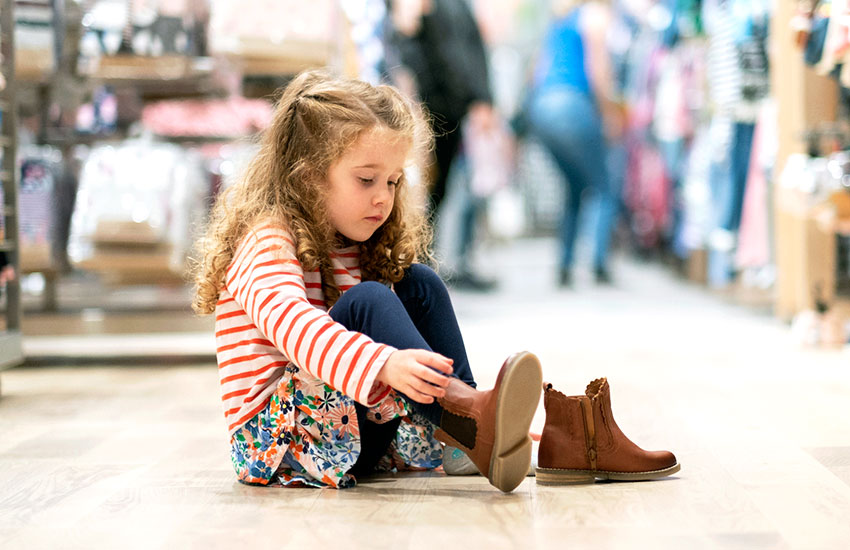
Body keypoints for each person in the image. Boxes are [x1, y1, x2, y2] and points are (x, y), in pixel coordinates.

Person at [193, 70, 679, 492]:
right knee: (366, 301)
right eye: (367, 180)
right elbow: (291, 324)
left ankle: (466, 433)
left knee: (418, 283)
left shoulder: (351, 240)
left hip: (342, 429)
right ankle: (467, 418)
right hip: (281, 444)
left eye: (392, 182)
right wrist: (382, 361)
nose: (383, 197)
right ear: (308, 177)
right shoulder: (268, 239)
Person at [387, 0, 497, 291]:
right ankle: (411, 266)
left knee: (439, 192)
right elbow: (405, 40)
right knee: (413, 190)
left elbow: (472, 49)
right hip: (422, 105)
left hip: (452, 108)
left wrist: (483, 98)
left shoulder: (459, 7)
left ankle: (423, 266)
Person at [526, 0, 624, 287]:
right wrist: (610, 112)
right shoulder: (594, 14)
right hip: (572, 106)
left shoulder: (558, 21)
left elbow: (536, 72)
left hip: (542, 108)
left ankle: (565, 265)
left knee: (574, 187)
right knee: (604, 186)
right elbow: (598, 70)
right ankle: (599, 263)